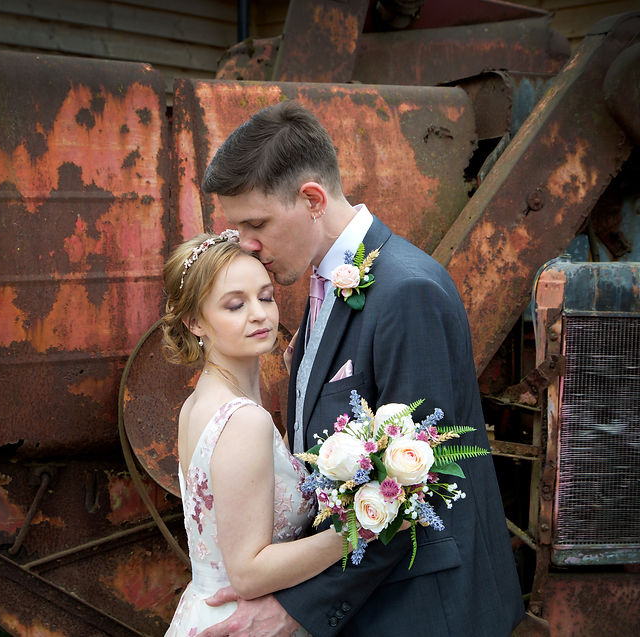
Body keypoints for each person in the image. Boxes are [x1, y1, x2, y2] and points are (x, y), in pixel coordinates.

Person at [196, 100, 526, 636]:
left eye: (256, 224)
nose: (246, 245)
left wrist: (296, 609)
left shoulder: (407, 292)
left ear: (312, 200)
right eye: (238, 228)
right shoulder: (326, 284)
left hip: (423, 613)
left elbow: (414, 485)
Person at [161, 230, 359, 637]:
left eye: (265, 297)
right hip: (244, 621)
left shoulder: (199, 403)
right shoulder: (242, 420)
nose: (258, 314)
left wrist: (300, 387)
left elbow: (266, 479)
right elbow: (248, 573)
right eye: (235, 305)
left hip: (207, 610)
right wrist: (361, 530)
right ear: (194, 322)